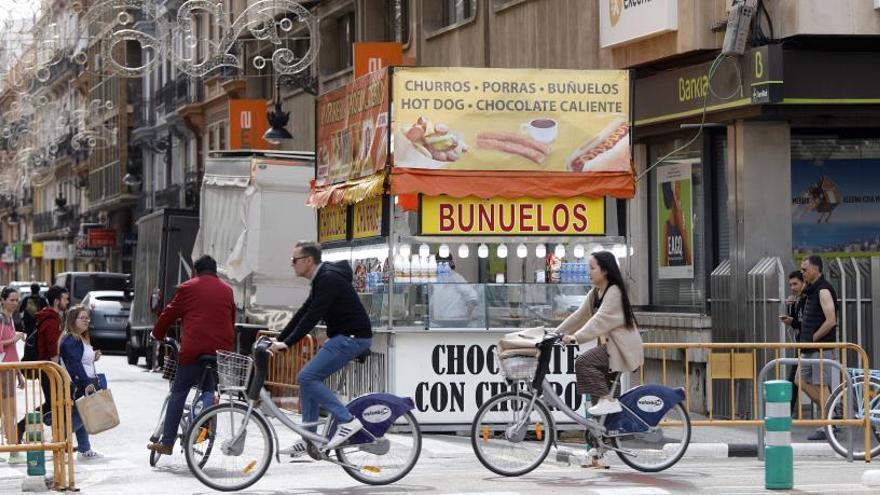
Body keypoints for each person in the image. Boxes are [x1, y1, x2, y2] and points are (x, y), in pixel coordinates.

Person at [270, 241, 372, 456]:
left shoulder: (328, 279)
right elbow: (303, 312)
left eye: (294, 260)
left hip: (353, 338)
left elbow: (312, 316)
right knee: (307, 379)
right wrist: (278, 339)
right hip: (344, 336)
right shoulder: (321, 279)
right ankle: (310, 439)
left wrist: (287, 343)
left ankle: (347, 421)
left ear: (308, 261)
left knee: (307, 377)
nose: (292, 265)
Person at [148, 255, 235, 455]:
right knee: (208, 390)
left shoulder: (188, 288)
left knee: (179, 392)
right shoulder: (227, 290)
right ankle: (204, 427)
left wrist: (157, 334)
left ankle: (167, 442)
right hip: (218, 352)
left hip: (193, 350)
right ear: (215, 271)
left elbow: (168, 314)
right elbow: (231, 320)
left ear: (195, 271)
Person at [558, 251, 644, 416]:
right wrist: (554, 333)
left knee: (584, 363)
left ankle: (607, 400)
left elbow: (598, 320)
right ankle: (606, 437)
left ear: (604, 270)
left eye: (592, 268)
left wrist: (576, 337)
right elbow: (578, 316)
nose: (588, 272)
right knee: (601, 406)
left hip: (620, 349)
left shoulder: (614, 292)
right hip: (610, 348)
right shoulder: (595, 293)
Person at [15, 285, 69, 442]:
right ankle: (22, 427)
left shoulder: (50, 317)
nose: (68, 302)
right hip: (50, 370)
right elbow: (53, 349)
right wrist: (59, 371)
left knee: (54, 404)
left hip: (48, 369)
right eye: (65, 299)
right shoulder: (51, 320)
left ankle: (58, 440)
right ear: (57, 300)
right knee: (54, 404)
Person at [798, 254, 839, 441]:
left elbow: (831, 321)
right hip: (809, 349)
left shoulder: (823, 290)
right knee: (802, 381)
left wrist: (813, 338)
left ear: (816, 269)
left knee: (822, 386)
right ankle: (832, 415)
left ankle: (828, 423)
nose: (802, 273)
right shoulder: (812, 290)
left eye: (805, 269)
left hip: (820, 348)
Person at [58, 305, 104, 460]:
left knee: (83, 414)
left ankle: (84, 449)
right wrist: (86, 383)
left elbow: (82, 360)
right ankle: (58, 441)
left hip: (85, 381)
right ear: (72, 320)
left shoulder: (80, 337)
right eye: (82, 318)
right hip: (81, 383)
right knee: (83, 416)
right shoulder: (71, 339)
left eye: (87, 317)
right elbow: (74, 364)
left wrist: (93, 356)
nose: (86, 320)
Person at [0, 288, 26, 463]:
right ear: (2, 300)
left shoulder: (10, 318)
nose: (15, 303)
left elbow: (13, 351)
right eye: (11, 299)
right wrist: (15, 339)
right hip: (3, 370)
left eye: (17, 300)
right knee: (8, 410)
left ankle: (11, 447)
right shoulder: (2, 319)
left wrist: (19, 373)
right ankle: (13, 450)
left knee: (8, 410)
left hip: (10, 369)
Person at [781, 270, 807, 416]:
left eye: (795, 284)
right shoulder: (797, 300)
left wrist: (793, 321)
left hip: (809, 346)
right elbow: (795, 322)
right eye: (790, 284)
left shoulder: (807, 300)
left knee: (800, 380)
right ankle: (787, 412)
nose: (792, 287)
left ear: (803, 283)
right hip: (800, 346)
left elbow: (804, 323)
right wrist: (790, 306)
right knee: (794, 380)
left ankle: (833, 411)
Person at [430, 254, 479, 326]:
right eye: (439, 263)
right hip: (439, 322)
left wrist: (467, 315)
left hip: (456, 321)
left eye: (444, 264)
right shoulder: (435, 279)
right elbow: (433, 301)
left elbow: (473, 297)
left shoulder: (456, 278)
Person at [19, 283, 47, 362]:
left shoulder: (26, 299)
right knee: (39, 341)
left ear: (31, 290)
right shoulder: (42, 299)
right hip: (39, 324)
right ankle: (37, 357)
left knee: (28, 341)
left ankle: (28, 357)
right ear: (39, 290)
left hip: (29, 325)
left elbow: (20, 310)